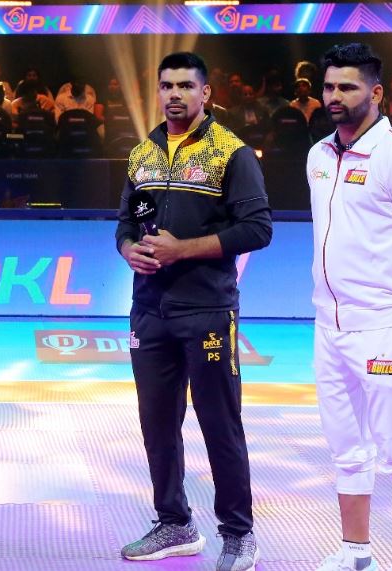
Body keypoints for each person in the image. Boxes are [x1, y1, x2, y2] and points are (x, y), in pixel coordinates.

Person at [115, 51, 272, 571]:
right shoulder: (142, 154)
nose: (175, 94)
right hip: (149, 310)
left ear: (206, 93)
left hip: (207, 311)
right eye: (167, 86)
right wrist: (128, 249)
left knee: (220, 424)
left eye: (185, 85)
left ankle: (239, 534)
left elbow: (258, 229)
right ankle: (175, 523)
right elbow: (125, 223)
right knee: (157, 423)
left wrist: (183, 250)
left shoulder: (232, 153)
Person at [307, 43, 392, 571]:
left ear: (376, 92)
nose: (334, 96)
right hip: (328, 326)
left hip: (385, 327)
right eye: (328, 86)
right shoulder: (318, 156)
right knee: (346, 448)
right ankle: (356, 552)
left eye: (347, 87)